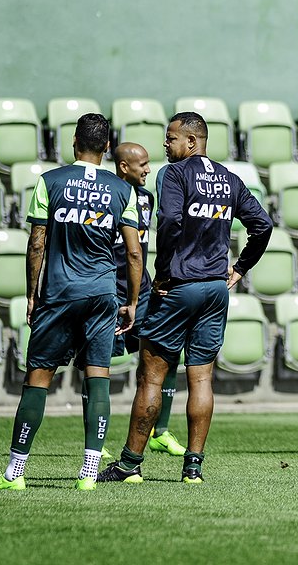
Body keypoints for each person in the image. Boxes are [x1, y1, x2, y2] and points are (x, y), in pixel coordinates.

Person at [98, 112, 272, 484]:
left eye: (171, 138)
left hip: (179, 287)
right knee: (202, 379)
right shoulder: (229, 178)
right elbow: (263, 225)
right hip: (214, 290)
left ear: (191, 142)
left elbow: (172, 222)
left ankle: (129, 464)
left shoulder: (173, 174)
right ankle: (193, 466)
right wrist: (239, 269)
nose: (166, 144)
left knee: (151, 377)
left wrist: (161, 272)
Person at [0, 113, 142, 491]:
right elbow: (134, 253)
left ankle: (16, 473)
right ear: (107, 147)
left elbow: (37, 240)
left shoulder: (50, 182)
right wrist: (133, 301)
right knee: (98, 378)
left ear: (74, 142)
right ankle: (89, 474)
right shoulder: (122, 190)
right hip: (104, 294)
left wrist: (31, 292)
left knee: (38, 377)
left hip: (58, 294)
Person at [112, 143, 186, 457]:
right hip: (109, 291)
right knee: (96, 364)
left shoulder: (147, 198)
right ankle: (96, 441)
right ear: (122, 166)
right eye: (141, 164)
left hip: (142, 293)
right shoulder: (108, 193)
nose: (147, 169)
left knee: (166, 356)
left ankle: (160, 431)